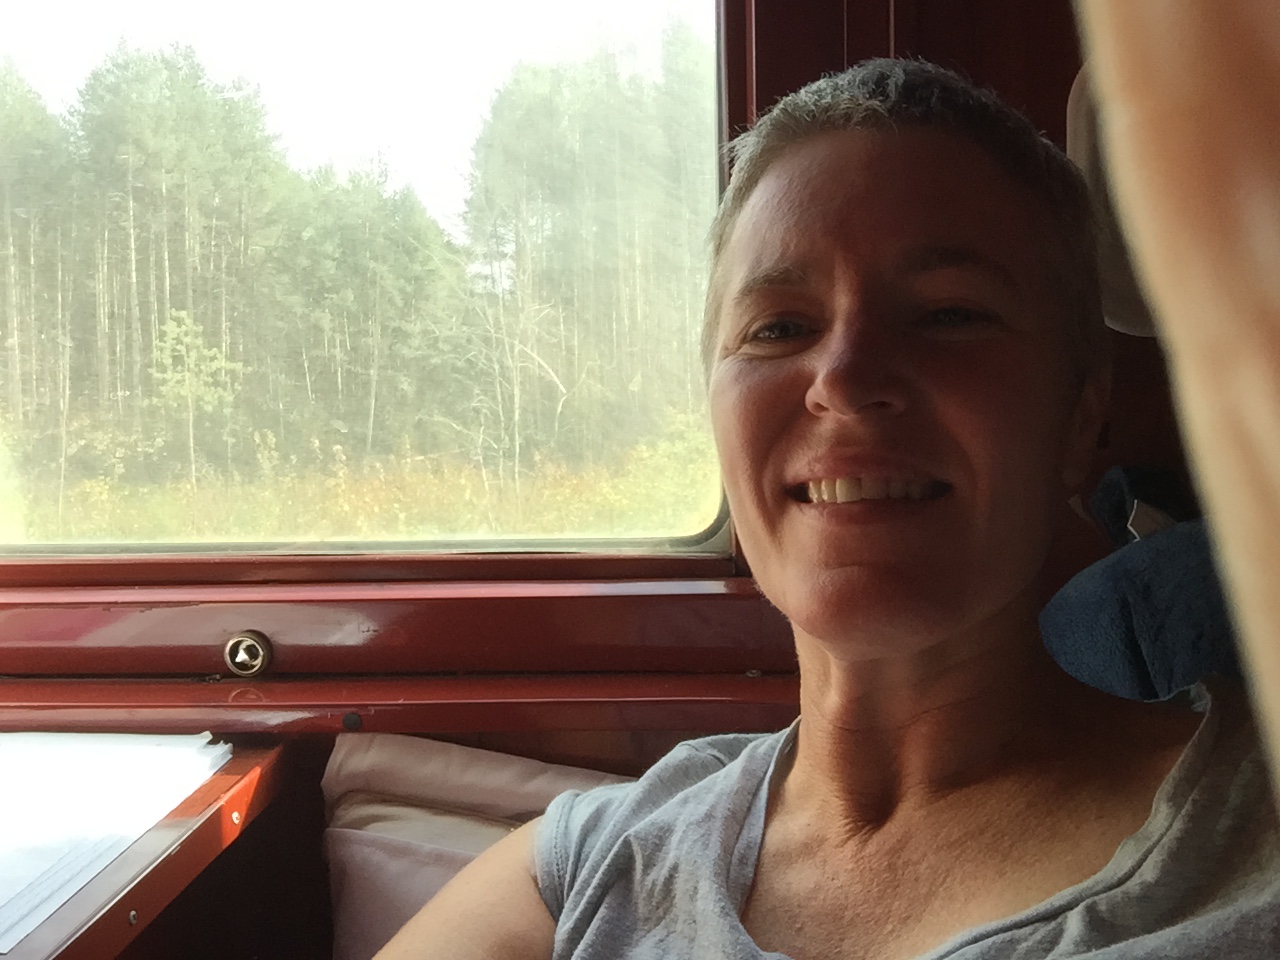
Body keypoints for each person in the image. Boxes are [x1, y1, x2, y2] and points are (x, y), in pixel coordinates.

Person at [376, 59, 1280, 960]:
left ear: (1080, 415)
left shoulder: (1246, 865)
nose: (843, 379)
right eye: (779, 327)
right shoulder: (584, 867)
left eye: (948, 315)